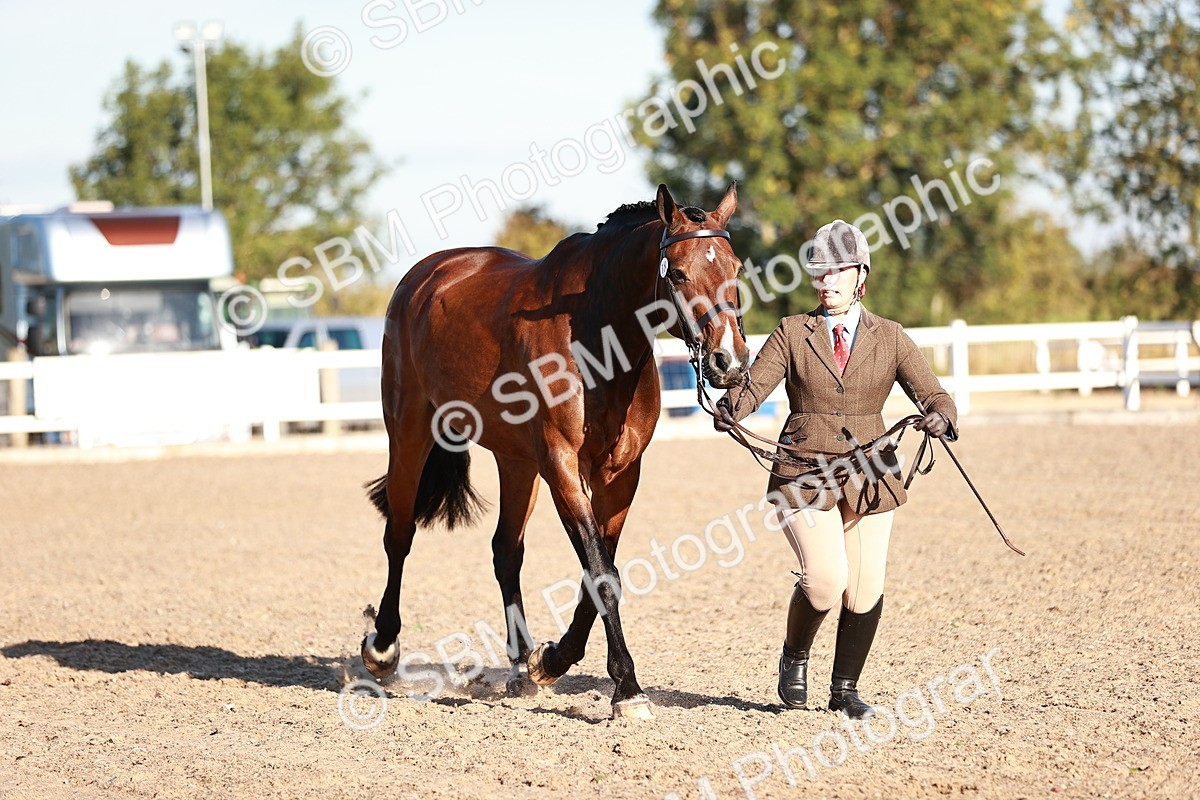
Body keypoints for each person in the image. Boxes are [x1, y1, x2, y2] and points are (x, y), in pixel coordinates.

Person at [714, 219, 957, 719]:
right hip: (803, 469)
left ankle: (844, 690)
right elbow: (753, 389)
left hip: (872, 472)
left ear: (860, 275)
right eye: (818, 272)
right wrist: (730, 406)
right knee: (825, 579)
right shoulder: (791, 332)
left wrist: (941, 416)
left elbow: (934, 394)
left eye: (836, 272)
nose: (825, 281)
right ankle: (795, 654)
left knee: (864, 588)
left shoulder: (890, 337)